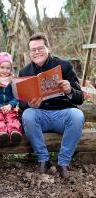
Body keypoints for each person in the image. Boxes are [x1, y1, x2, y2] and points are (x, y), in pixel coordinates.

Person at [19, 32, 85, 178]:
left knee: (77, 115)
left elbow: (80, 98)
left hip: (62, 115)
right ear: (29, 53)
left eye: (40, 48)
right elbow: (21, 103)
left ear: (48, 48)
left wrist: (70, 90)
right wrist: (29, 103)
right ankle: (44, 160)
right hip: (39, 116)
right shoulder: (24, 72)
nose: (37, 52)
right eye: (33, 50)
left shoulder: (64, 66)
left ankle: (63, 162)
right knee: (28, 114)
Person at [0, 52, 22, 147]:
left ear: (11, 69)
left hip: (9, 106)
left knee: (12, 117)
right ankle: (1, 134)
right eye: (2, 67)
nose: (5, 70)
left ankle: (14, 132)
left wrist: (10, 105)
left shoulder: (12, 80)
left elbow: (16, 96)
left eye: (8, 68)